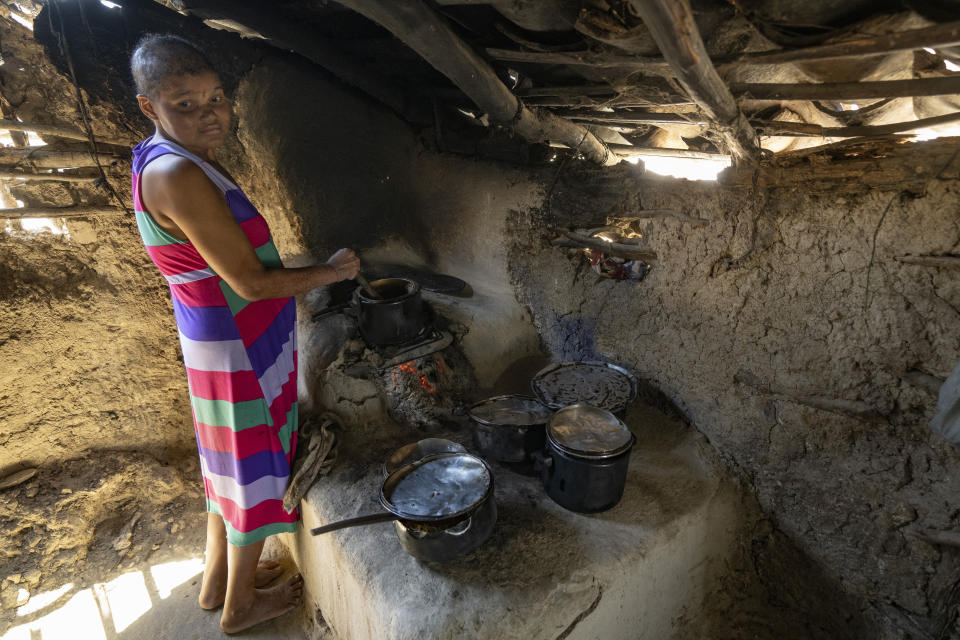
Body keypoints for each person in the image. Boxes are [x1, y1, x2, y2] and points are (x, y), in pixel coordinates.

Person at [129, 34, 360, 633]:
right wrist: (331, 273)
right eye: (186, 102)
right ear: (149, 106)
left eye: (216, 97)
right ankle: (239, 608)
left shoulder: (161, 155)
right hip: (237, 345)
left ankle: (215, 583)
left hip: (215, 333)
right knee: (255, 469)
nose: (209, 113)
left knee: (225, 463)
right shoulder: (178, 173)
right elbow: (252, 283)